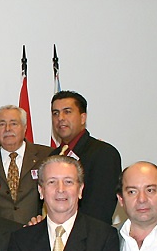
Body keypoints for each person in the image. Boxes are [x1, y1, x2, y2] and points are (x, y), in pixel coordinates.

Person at [50, 91, 121, 223]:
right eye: (55, 113)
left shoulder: (103, 154)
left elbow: (100, 211)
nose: (60, 118)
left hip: (89, 234)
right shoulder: (52, 157)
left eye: (67, 112)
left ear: (83, 118)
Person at [0, 105, 53, 225]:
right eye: (2, 124)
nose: (7, 129)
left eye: (13, 124)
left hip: (37, 229)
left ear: (25, 127)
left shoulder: (46, 156)